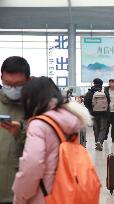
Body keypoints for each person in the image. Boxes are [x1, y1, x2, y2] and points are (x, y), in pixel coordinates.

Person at [12, 76, 92, 204]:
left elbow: (32, 165)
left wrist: (20, 197)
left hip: (45, 195)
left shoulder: (38, 125)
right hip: (70, 191)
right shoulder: (70, 119)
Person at [0, 56, 30, 204]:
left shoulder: (35, 106)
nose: (11, 88)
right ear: (1, 77)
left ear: (28, 81)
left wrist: (21, 132)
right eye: (7, 83)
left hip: (21, 193)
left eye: (17, 84)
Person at [84, 78, 109, 151]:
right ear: (101, 84)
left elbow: (86, 102)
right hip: (103, 113)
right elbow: (108, 101)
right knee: (103, 128)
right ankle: (100, 142)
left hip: (93, 114)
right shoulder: (104, 92)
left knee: (96, 128)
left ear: (93, 83)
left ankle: (97, 142)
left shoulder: (90, 92)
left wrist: (91, 110)